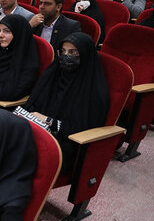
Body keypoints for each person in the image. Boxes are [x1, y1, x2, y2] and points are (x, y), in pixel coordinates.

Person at [24, 32, 109, 173]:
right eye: (62, 52)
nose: (66, 56)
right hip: (37, 131)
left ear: (85, 55)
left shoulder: (94, 90)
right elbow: (33, 103)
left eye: (73, 52)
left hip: (64, 144)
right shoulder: (53, 73)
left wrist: (49, 121)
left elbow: (83, 129)